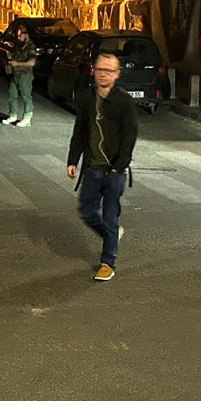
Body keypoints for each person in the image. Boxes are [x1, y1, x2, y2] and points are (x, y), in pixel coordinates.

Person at [66, 52, 138, 282]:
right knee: (86, 211)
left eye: (108, 71)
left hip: (114, 171)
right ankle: (112, 235)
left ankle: (108, 262)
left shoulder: (123, 101)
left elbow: (130, 135)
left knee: (110, 217)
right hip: (92, 167)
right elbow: (80, 131)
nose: (103, 74)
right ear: (93, 71)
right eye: (99, 70)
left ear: (116, 74)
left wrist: (120, 166)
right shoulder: (86, 97)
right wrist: (72, 160)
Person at [5, 22, 38, 126]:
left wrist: (17, 63)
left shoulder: (30, 46)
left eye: (20, 34)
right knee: (12, 95)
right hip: (15, 74)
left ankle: (27, 118)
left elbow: (32, 62)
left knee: (26, 96)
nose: (18, 36)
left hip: (25, 75)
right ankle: (13, 115)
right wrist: (11, 58)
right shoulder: (20, 45)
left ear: (26, 34)